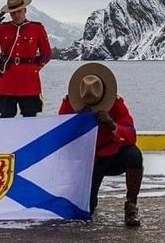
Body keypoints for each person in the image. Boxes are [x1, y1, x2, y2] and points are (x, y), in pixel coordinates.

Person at [58, 63, 143, 227]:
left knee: (134, 155)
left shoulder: (116, 104)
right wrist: (77, 122)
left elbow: (131, 135)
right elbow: (60, 136)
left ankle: (131, 205)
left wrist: (113, 126)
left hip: (111, 155)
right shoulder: (69, 104)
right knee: (87, 208)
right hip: (87, 162)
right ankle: (89, 198)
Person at [0, 0, 52, 118]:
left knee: (30, 120)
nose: (16, 15)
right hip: (7, 83)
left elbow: (46, 53)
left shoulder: (36, 28)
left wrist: (35, 67)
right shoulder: (3, 28)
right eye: (13, 13)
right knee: (6, 119)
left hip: (29, 83)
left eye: (19, 11)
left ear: (25, 10)